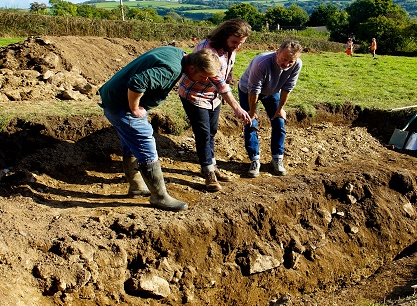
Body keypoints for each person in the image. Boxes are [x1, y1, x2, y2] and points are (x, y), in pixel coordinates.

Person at [99, 46, 221, 212]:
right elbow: (137, 82)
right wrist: (134, 108)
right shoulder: (171, 70)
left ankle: (136, 187)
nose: (204, 81)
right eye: (203, 76)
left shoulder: (177, 53)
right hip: (121, 105)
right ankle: (159, 196)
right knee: (145, 144)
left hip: (114, 97)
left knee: (132, 143)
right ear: (192, 68)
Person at [179, 19, 252, 192]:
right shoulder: (207, 50)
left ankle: (212, 165)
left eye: (240, 43)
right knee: (203, 133)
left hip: (213, 97)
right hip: (194, 94)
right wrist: (236, 107)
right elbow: (218, 81)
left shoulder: (229, 49)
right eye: (234, 42)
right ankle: (208, 172)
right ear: (224, 36)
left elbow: (226, 75)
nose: (237, 46)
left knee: (212, 130)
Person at [238, 40, 303, 177]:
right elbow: (254, 90)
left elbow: (287, 88)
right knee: (251, 123)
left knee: (279, 121)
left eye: (290, 62)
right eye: (284, 59)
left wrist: (280, 109)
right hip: (248, 90)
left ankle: (277, 158)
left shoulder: (297, 64)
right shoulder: (261, 63)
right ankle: (255, 159)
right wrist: (252, 111)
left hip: (272, 91)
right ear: (277, 52)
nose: (286, 64)